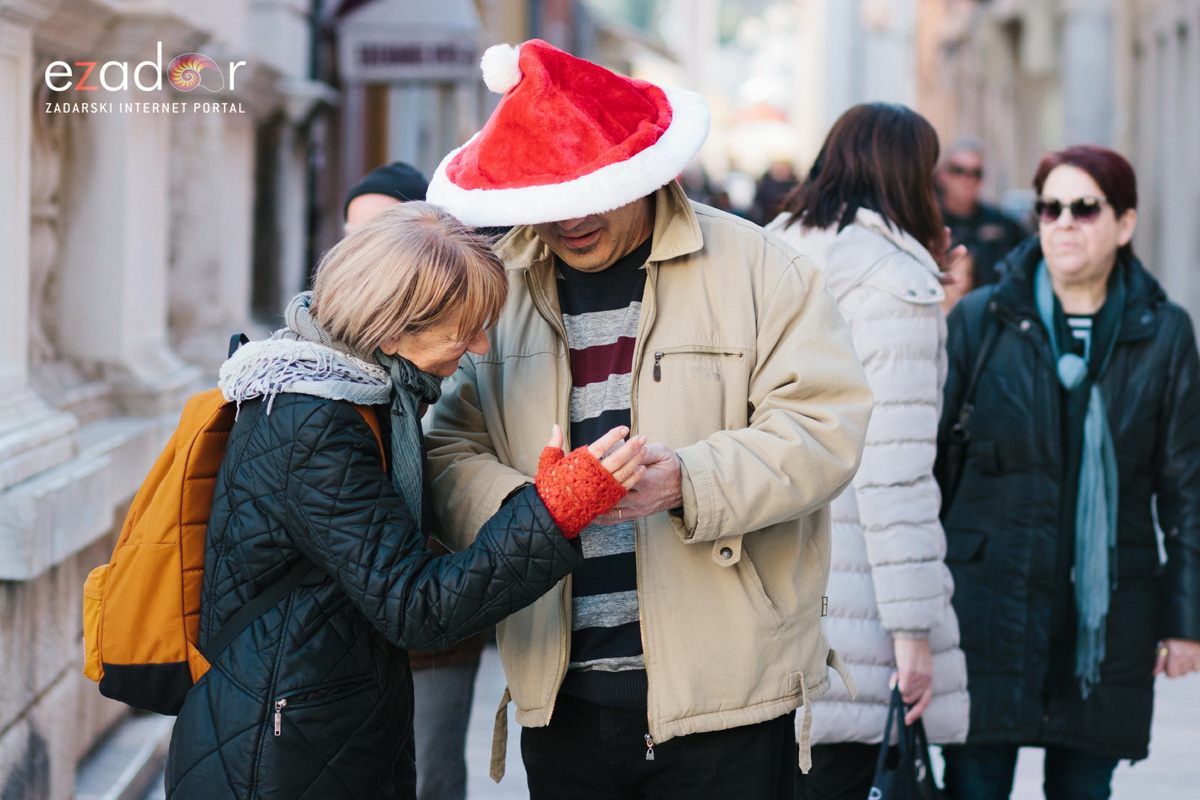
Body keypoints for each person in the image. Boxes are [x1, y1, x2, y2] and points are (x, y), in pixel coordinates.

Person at [424, 39, 872, 799]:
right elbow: (446, 446)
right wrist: (532, 509)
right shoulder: (500, 286)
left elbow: (825, 426)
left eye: (594, 188)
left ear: (642, 169)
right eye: (553, 194)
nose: (573, 218)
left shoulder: (762, 267)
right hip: (559, 695)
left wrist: (688, 481)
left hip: (726, 700)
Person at [165, 201, 648, 798]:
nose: (479, 346)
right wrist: (551, 513)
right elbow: (416, 607)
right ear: (394, 324)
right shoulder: (316, 423)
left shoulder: (350, 395)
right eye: (466, 326)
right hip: (281, 756)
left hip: (311, 728)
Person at [936, 144, 1200, 800]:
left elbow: (1185, 485)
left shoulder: (1162, 333)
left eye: (1085, 208)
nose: (1063, 223)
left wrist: (1185, 619)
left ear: (1125, 224)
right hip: (987, 608)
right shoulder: (982, 319)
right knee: (974, 785)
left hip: (1107, 618)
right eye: (1050, 207)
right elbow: (937, 468)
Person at [767, 103, 969, 800]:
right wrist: (913, 633)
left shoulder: (766, 253)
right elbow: (895, 472)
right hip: (851, 608)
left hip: (751, 600)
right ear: (908, 175)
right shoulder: (898, 281)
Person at [343, 162, 484, 800]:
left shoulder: (454, 360)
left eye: (378, 232)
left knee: (429, 778)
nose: (359, 252)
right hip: (350, 636)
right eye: (350, 235)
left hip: (432, 628)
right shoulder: (323, 377)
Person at [937, 138, 1027, 287]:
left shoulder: (1004, 225)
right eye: (959, 171)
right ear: (943, 174)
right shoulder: (927, 223)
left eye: (976, 173)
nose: (968, 179)